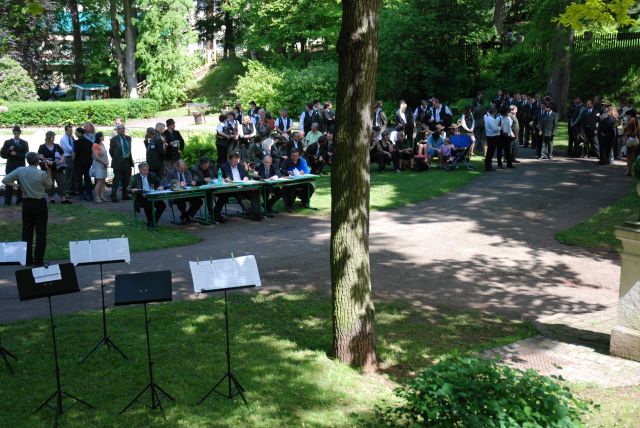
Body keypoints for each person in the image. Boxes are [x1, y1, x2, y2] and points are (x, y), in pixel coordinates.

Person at [2, 152, 53, 266]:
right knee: (41, 232)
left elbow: (5, 180)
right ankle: (38, 261)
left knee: (26, 232)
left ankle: (27, 260)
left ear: (27, 160)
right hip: (39, 203)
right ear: (37, 161)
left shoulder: (20, 170)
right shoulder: (41, 173)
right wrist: (49, 170)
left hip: (27, 203)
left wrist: (19, 186)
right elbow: (49, 185)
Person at [213, 152, 262, 222]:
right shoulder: (224, 166)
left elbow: (247, 175)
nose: (235, 163)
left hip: (243, 186)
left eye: (237, 161)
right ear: (230, 160)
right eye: (234, 161)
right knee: (237, 194)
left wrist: (246, 178)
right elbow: (217, 177)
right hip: (232, 188)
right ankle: (252, 213)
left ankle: (257, 212)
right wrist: (224, 179)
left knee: (255, 191)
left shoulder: (240, 165)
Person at [38, 131, 71, 204]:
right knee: (50, 183)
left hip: (58, 167)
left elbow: (62, 154)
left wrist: (61, 161)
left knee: (62, 181)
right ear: (48, 138)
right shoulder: (42, 146)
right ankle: (52, 199)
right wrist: (46, 160)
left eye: (54, 137)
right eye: (52, 137)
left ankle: (63, 199)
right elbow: (40, 156)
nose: (54, 138)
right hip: (48, 168)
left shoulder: (57, 146)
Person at [129, 162, 166, 228]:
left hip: (152, 196)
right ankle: (151, 223)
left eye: (147, 170)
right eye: (144, 170)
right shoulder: (134, 178)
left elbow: (161, 180)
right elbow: (128, 188)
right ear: (140, 169)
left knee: (162, 205)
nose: (146, 172)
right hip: (141, 198)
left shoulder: (152, 175)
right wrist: (133, 190)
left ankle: (152, 222)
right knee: (148, 204)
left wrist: (161, 185)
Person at [1, 125, 29, 206]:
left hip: (21, 166)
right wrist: (9, 149)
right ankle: (7, 202)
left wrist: (16, 154)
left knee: (21, 183)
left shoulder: (24, 143)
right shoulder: (7, 142)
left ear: (20, 133)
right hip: (10, 166)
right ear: (13, 133)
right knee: (8, 183)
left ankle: (20, 201)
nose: (16, 134)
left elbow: (26, 155)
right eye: (15, 132)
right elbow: (2, 155)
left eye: (18, 133)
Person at [109, 123, 133, 202]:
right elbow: (111, 151)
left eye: (123, 128)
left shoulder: (129, 138)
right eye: (119, 129)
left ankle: (125, 194)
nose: (122, 130)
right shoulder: (114, 139)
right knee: (116, 179)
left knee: (126, 179)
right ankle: (113, 195)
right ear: (117, 130)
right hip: (118, 162)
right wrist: (117, 158)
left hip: (127, 161)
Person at [73, 127, 93, 201]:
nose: (75, 133)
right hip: (87, 162)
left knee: (79, 179)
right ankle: (89, 194)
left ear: (79, 133)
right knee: (87, 178)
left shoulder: (75, 143)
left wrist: (73, 161)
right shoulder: (89, 142)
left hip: (78, 163)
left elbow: (73, 154)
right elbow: (91, 153)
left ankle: (81, 193)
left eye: (76, 132)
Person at [91, 132, 109, 203]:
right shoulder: (95, 145)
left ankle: (102, 196)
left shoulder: (102, 144)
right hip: (98, 165)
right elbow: (96, 157)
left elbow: (106, 154)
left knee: (103, 181)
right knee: (99, 181)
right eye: (103, 136)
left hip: (104, 165)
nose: (104, 137)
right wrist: (104, 162)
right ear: (100, 137)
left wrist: (107, 162)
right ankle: (97, 197)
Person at [597, 101, 617, 165]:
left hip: (608, 132)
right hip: (607, 132)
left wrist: (604, 131)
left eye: (605, 106)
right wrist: (598, 117)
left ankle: (604, 160)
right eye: (603, 105)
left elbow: (610, 124)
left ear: (608, 107)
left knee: (605, 147)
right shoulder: (605, 112)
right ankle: (605, 160)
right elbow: (600, 120)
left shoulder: (611, 114)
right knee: (606, 147)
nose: (604, 107)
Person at [59, 124, 76, 197]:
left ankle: (70, 190)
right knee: (67, 175)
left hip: (71, 157)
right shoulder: (63, 139)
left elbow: (74, 147)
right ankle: (65, 191)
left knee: (71, 175)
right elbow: (69, 149)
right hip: (67, 158)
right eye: (69, 131)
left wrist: (74, 140)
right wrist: (76, 150)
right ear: (65, 131)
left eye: (71, 130)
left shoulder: (70, 138)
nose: (71, 132)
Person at [484, 105, 501, 171]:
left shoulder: (488, 118)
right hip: (492, 136)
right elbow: (495, 129)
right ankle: (489, 166)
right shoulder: (491, 119)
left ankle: (488, 165)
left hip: (490, 136)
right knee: (490, 152)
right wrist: (500, 128)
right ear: (494, 111)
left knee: (489, 152)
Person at [624, 110, 640, 176]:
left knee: (630, 156)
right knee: (634, 155)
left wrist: (625, 138)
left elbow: (628, 131)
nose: (626, 116)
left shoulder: (631, 121)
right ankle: (633, 170)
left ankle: (629, 171)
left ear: (630, 115)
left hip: (631, 139)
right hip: (636, 139)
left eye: (627, 115)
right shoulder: (636, 120)